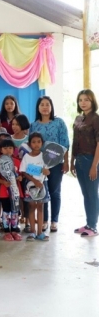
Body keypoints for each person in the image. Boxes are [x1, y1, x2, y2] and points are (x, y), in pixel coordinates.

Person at [30, 96, 70, 233]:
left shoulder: (59, 123)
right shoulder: (34, 125)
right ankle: (44, 220)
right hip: (39, 164)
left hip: (57, 163)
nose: (45, 107)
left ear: (51, 107)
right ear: (38, 107)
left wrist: (66, 162)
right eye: (42, 104)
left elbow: (65, 144)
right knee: (43, 192)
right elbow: (31, 145)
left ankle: (54, 221)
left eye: (47, 104)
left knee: (55, 191)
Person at [71, 89, 99, 237]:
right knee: (86, 194)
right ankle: (88, 223)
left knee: (92, 194)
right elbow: (75, 141)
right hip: (79, 159)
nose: (83, 102)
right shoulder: (78, 119)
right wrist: (71, 161)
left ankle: (93, 226)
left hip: (91, 160)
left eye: (86, 100)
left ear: (92, 101)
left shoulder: (96, 119)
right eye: (80, 100)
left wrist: (94, 165)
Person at [20, 132, 51, 241]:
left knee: (41, 207)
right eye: (33, 142)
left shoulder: (45, 156)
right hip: (30, 185)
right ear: (29, 144)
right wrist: (34, 181)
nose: (36, 144)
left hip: (42, 184)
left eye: (39, 142)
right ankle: (32, 232)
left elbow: (47, 170)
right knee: (32, 207)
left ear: (42, 143)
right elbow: (24, 172)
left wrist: (47, 172)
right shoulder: (26, 157)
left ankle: (40, 232)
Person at [0, 139, 23, 241]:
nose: (8, 150)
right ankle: (6, 232)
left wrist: (20, 178)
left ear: (14, 149)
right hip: (4, 192)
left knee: (15, 211)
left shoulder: (17, 162)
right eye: (5, 148)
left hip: (16, 191)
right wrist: (3, 182)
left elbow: (21, 175)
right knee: (6, 211)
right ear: (1, 150)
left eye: (10, 148)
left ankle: (14, 231)